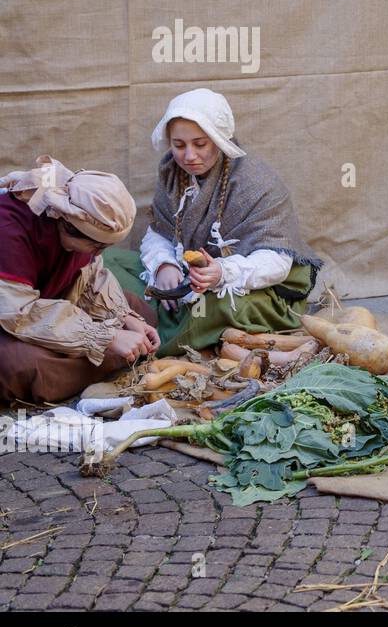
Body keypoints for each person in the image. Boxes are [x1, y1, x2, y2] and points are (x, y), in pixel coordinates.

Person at [102, 88, 322, 354]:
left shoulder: (258, 183)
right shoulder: (173, 173)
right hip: (191, 275)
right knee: (107, 262)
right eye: (179, 145)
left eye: (200, 144)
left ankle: (152, 339)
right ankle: (164, 312)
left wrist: (221, 272)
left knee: (216, 306)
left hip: (254, 288)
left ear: (218, 139)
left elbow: (277, 263)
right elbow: (160, 232)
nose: (188, 156)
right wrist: (164, 266)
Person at [0, 156, 159, 403]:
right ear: (68, 225)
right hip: (12, 317)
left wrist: (122, 317)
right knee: (22, 366)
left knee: (140, 312)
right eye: (95, 245)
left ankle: (92, 363)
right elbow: (19, 313)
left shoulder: (76, 225)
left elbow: (91, 277)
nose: (97, 254)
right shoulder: (9, 229)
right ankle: (101, 363)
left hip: (48, 303)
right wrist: (108, 338)